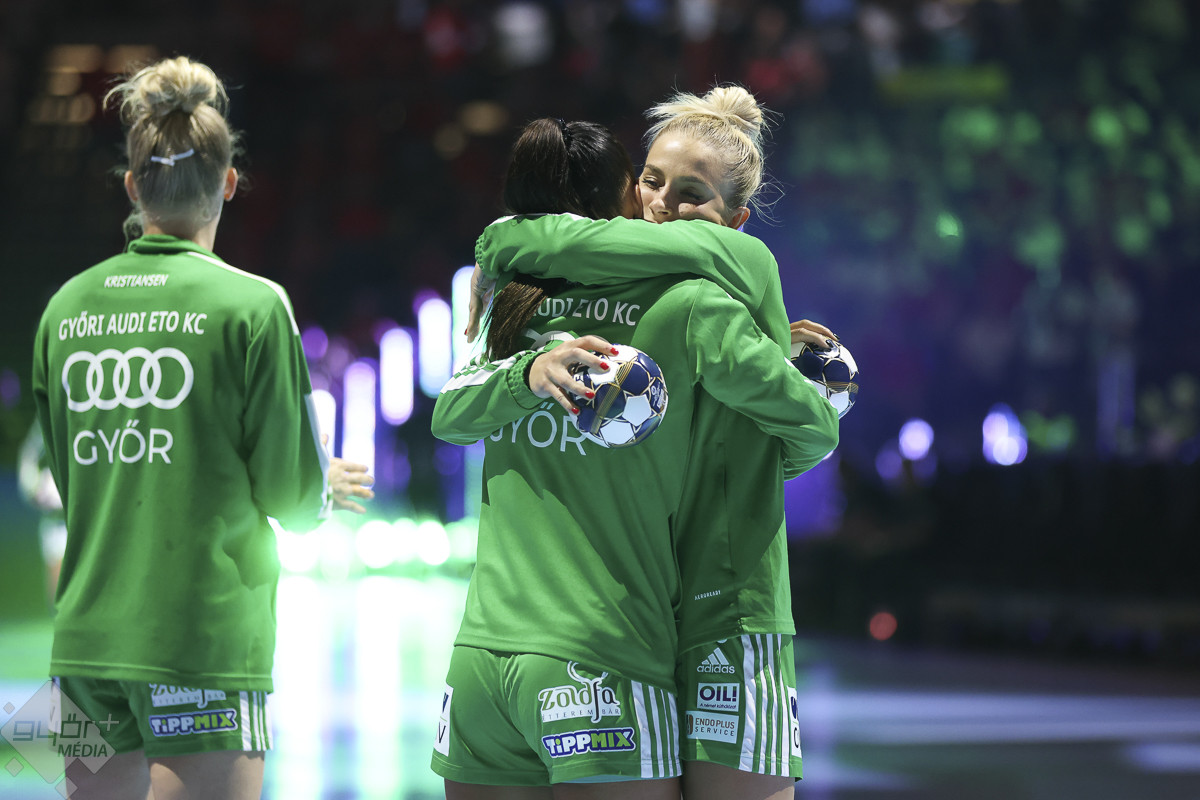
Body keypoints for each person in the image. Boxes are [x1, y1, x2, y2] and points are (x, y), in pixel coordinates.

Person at [430, 117, 837, 799]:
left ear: (734, 219)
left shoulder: (520, 300)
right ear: (624, 188)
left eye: (690, 194)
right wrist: (753, 414)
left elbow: (450, 414)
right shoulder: (698, 304)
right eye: (650, 181)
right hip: (643, 644)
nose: (661, 205)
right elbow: (815, 427)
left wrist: (502, 252)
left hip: (487, 660)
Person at [31, 56, 373, 800]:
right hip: (202, 646)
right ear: (229, 182)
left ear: (132, 186)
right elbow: (291, 499)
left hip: (83, 649)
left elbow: (75, 479)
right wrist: (318, 481)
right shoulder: (253, 306)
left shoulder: (64, 309)